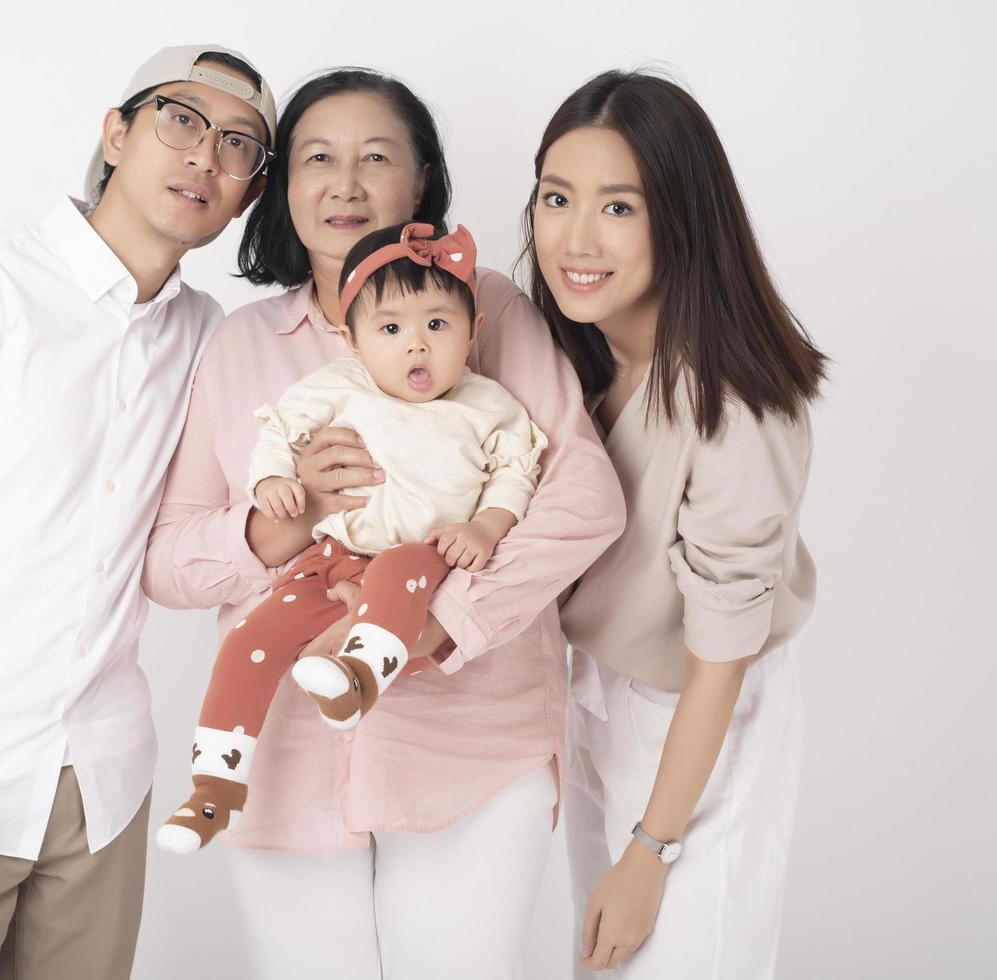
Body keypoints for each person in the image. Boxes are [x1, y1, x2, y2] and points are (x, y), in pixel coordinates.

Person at [141, 67, 625, 979]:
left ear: (423, 182)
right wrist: (280, 526)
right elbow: (168, 561)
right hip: (281, 757)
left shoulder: (488, 311)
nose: (346, 182)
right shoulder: (243, 344)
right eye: (317, 157)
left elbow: (583, 498)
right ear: (284, 187)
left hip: (470, 748)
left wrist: (446, 622)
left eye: (377, 157)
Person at [0, 44, 275, 977]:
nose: (204, 157)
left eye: (239, 145)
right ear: (116, 133)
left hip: (100, 789)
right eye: (180, 120)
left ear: (248, 192)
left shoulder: (206, 339)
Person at [522, 70, 827, 976]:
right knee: (604, 961)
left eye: (619, 207)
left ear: (682, 218)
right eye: (556, 198)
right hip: (596, 696)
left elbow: (719, 659)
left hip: (701, 712)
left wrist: (653, 852)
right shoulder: (575, 360)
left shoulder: (734, 403)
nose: (575, 238)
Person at [157, 222, 548, 854]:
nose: (416, 347)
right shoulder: (342, 385)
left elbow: (516, 473)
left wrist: (486, 525)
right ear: (354, 341)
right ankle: (213, 788)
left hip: (424, 557)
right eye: (391, 330)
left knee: (397, 573)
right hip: (330, 554)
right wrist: (273, 482)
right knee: (252, 637)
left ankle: (359, 676)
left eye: (437, 326)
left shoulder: (489, 405)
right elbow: (279, 432)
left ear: (473, 332)